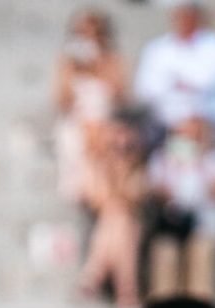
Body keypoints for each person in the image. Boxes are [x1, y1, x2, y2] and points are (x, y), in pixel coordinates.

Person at [147, 116, 215, 298]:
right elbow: (155, 189)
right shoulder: (162, 158)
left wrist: (200, 164)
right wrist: (175, 168)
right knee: (166, 253)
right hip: (173, 221)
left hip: (203, 221)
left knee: (201, 252)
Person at [134, 1, 215, 145]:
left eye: (188, 16)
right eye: (180, 16)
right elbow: (145, 88)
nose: (184, 21)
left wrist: (176, 82)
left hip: (209, 123)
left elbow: (210, 81)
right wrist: (181, 83)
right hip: (167, 123)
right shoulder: (157, 49)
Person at [53, 8, 127, 203]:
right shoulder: (68, 63)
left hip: (105, 124)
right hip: (78, 124)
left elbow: (120, 95)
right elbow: (62, 100)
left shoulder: (112, 61)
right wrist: (74, 69)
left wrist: (98, 67)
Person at [78, 116, 146, 308]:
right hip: (109, 222)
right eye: (115, 147)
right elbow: (97, 200)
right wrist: (110, 173)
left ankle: (92, 277)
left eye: (125, 148)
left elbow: (134, 198)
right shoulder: (96, 166)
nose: (120, 152)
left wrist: (122, 172)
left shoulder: (138, 169)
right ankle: (127, 290)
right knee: (118, 222)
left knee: (119, 221)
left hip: (130, 222)